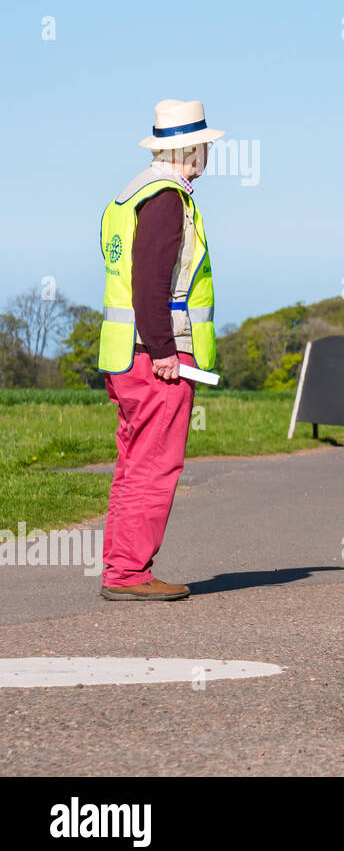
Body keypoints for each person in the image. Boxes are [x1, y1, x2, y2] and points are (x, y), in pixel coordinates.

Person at [96, 100, 223, 601]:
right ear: (190, 151)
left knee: (135, 464)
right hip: (156, 358)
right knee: (154, 465)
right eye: (206, 148)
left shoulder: (130, 194)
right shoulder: (169, 198)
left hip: (126, 354)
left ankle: (123, 568)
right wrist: (166, 350)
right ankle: (128, 574)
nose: (208, 156)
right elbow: (148, 280)